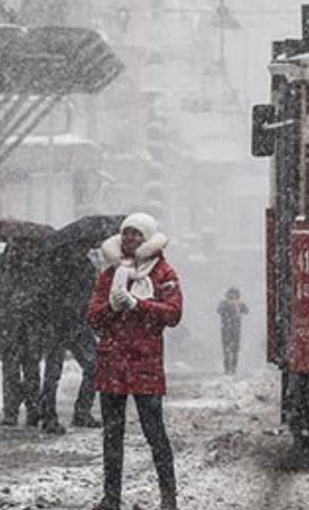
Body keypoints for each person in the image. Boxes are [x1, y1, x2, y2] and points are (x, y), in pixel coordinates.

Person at [87, 213, 183, 510]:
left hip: (146, 364)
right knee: (112, 436)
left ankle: (168, 498)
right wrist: (111, 307)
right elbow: (93, 318)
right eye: (126, 233)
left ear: (147, 238)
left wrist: (138, 305)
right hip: (112, 364)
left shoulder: (163, 273)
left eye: (136, 234)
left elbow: (173, 314)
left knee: (154, 432)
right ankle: (111, 497)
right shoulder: (109, 274)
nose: (129, 238)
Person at [0, 240, 46, 427]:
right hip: (9, 326)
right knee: (12, 370)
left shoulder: (35, 265)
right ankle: (12, 410)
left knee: (30, 369)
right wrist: (2, 280)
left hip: (29, 326)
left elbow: (45, 293)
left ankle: (31, 409)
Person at [38, 240, 103, 433]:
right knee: (54, 372)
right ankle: (50, 416)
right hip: (59, 324)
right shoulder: (56, 264)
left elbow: (91, 294)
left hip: (78, 324)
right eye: (82, 245)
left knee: (94, 366)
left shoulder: (86, 265)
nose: (85, 249)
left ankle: (80, 412)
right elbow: (46, 294)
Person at [217, 287, 248, 375]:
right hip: (227, 330)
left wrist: (237, 305)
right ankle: (227, 368)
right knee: (227, 349)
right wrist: (229, 305)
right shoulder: (223, 303)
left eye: (234, 295)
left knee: (234, 350)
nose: (232, 297)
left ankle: (233, 367)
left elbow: (246, 310)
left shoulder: (239, 304)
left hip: (235, 330)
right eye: (230, 295)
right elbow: (219, 310)